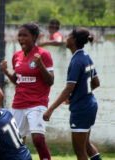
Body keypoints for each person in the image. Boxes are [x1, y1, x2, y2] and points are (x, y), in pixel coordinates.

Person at [43, 27, 102, 160]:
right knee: (86, 145)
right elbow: (96, 83)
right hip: (91, 105)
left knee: (79, 151)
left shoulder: (76, 61)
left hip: (81, 109)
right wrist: (79, 93)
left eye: (69, 36)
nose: (66, 38)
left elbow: (69, 88)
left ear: (74, 40)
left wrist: (50, 110)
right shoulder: (86, 56)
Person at [0, 22, 53, 160]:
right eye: (20, 35)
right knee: (16, 141)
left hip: (37, 103)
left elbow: (50, 81)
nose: (21, 39)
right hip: (18, 103)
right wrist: (6, 71)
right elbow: (18, 81)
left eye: (25, 35)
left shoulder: (43, 54)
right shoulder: (16, 56)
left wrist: (40, 64)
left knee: (38, 140)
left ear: (34, 37)